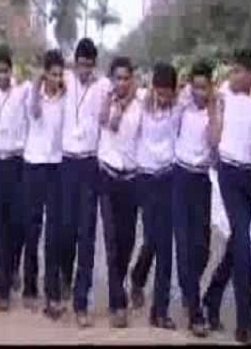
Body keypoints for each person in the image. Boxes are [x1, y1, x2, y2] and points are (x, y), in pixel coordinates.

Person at [202, 49, 251, 343]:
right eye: (231, 71)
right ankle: (245, 324)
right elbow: (212, 131)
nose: (231, 76)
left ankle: (212, 296)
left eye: (237, 71)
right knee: (243, 243)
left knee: (237, 243)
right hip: (227, 172)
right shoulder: (223, 94)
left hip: (248, 176)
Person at [59, 38, 110, 328]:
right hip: (66, 163)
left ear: (95, 65)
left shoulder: (103, 86)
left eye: (89, 65)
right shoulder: (65, 80)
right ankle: (65, 277)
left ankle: (82, 301)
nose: (85, 70)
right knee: (66, 228)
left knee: (87, 234)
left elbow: (128, 88)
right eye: (81, 64)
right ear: (74, 62)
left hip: (90, 164)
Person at [172, 60, 220, 338]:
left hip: (201, 180)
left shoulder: (216, 109)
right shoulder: (182, 105)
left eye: (205, 87)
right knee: (184, 244)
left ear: (211, 86)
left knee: (202, 248)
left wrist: (213, 110)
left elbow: (214, 142)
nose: (200, 92)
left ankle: (188, 287)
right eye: (196, 87)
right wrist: (181, 91)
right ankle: (195, 311)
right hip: (179, 177)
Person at [0, 46, 30, 310]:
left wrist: (25, 75)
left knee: (18, 224)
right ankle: (2, 290)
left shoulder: (22, 89)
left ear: (11, 70)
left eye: (6, 71)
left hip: (16, 163)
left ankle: (13, 267)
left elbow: (46, 85)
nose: (2, 76)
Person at [134, 61, 179, 331]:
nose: (162, 98)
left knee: (165, 245)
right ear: (153, 88)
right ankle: (138, 277)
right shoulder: (141, 105)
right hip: (145, 179)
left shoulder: (179, 108)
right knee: (152, 238)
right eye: (158, 92)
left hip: (169, 179)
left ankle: (159, 311)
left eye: (167, 93)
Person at [97, 56, 142, 328]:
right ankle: (118, 302)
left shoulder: (142, 104)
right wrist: (118, 104)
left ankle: (121, 282)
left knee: (127, 240)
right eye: (118, 78)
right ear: (112, 79)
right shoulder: (107, 100)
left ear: (132, 79)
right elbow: (106, 122)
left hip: (132, 179)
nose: (122, 83)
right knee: (112, 240)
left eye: (127, 78)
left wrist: (131, 101)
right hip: (108, 176)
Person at [23, 49, 66, 319]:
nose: (57, 79)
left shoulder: (66, 98)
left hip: (56, 168)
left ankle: (53, 293)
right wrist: (37, 85)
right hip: (33, 166)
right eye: (53, 74)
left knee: (54, 234)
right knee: (32, 229)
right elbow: (35, 113)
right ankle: (29, 287)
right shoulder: (33, 95)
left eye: (60, 74)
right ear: (45, 73)